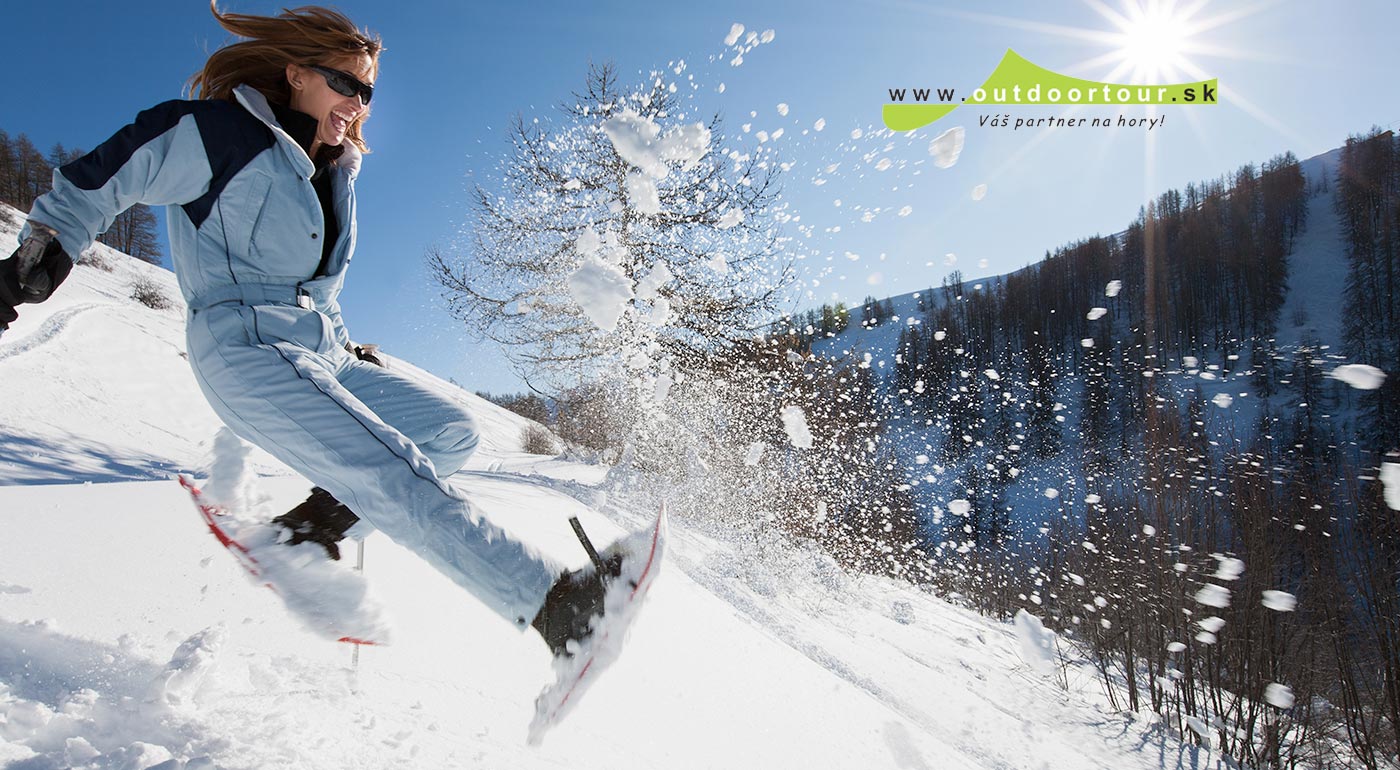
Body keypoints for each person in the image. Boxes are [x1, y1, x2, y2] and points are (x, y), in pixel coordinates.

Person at [0, 2, 611, 658]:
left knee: (448, 431)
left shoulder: (337, 171)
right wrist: (37, 257)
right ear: (295, 73)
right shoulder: (219, 136)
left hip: (322, 351)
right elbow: (100, 182)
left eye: (368, 90)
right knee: (393, 473)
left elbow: (319, 288)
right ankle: (556, 610)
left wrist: (345, 348)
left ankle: (306, 530)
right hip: (246, 345)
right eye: (344, 83)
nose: (358, 102)